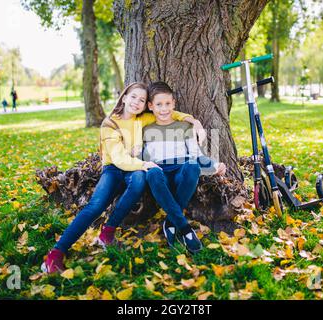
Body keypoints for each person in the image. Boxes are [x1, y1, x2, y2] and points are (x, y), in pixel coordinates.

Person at [42, 82, 206, 274]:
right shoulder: (109, 124)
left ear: (146, 105)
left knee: (138, 181)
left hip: (134, 169)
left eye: (142, 100)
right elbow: (119, 159)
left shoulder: (140, 119)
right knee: (95, 205)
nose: (137, 102)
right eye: (134, 96)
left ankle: (108, 232)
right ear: (124, 96)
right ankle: (56, 253)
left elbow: (171, 113)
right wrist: (144, 164)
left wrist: (195, 122)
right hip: (114, 169)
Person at [143, 81, 226, 254]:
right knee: (152, 174)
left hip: (182, 172)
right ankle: (185, 229)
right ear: (150, 106)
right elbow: (143, 158)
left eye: (167, 104)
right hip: (160, 173)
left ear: (174, 103)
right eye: (159, 104)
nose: (164, 109)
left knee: (192, 166)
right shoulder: (146, 129)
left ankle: (170, 222)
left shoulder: (184, 126)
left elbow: (196, 154)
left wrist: (214, 165)